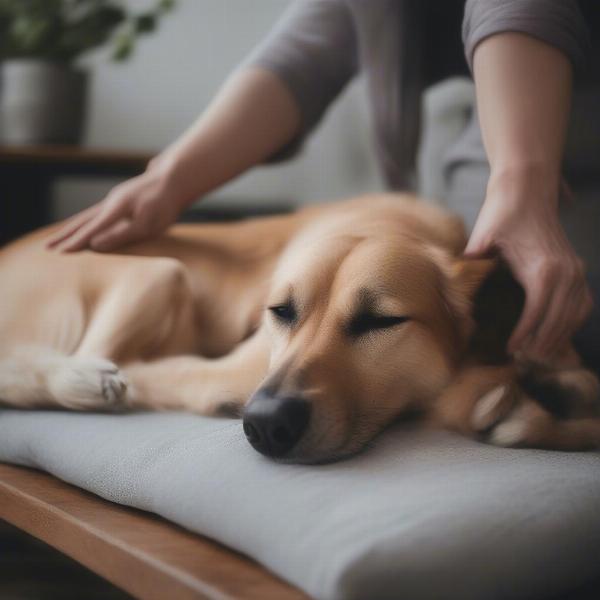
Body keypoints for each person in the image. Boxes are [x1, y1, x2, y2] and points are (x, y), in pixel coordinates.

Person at [49, 0, 597, 368]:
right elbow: (304, 50)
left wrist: (522, 183)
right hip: (499, 151)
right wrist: (165, 182)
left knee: (529, 315)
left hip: (563, 144)